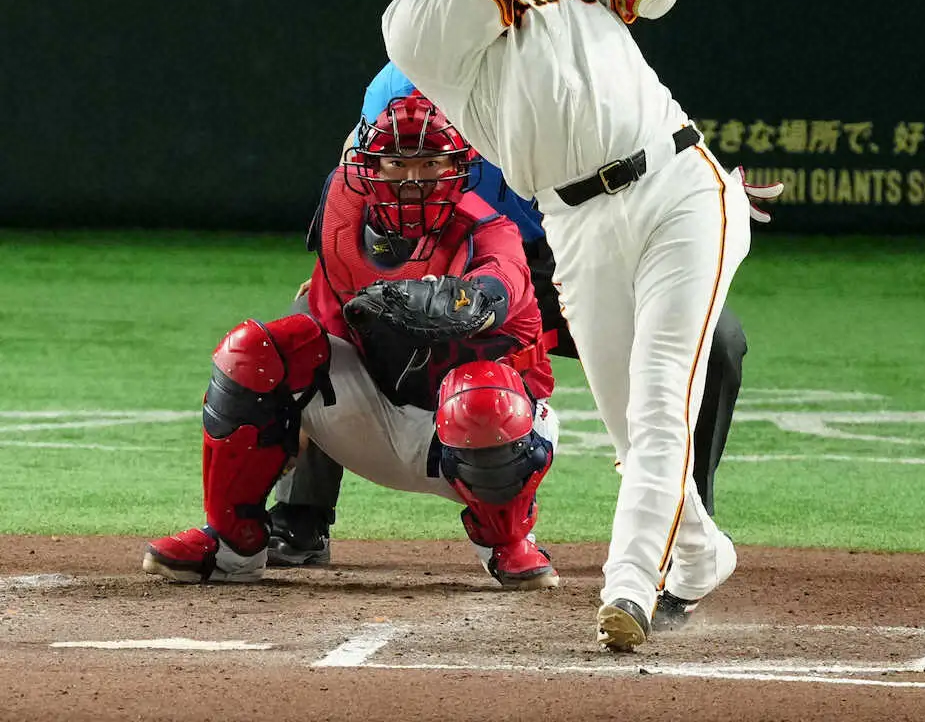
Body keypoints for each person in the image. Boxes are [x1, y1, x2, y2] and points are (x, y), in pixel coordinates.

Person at [333, 0, 776, 651]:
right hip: (576, 225)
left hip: (680, 188)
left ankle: (627, 590)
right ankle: (700, 554)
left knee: (655, 413)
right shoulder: (415, 26)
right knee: (627, 429)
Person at [268, 60, 756, 571]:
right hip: (453, 257)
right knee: (320, 322)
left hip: (572, 259)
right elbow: (361, 167)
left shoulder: (563, 71)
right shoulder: (406, 71)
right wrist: (337, 268)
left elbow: (642, 160)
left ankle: (680, 521)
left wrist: (702, 192)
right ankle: (301, 515)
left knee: (718, 340)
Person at [144, 92, 560, 590]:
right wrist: (262, 409)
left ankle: (507, 541)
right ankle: (233, 544)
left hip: (473, 435)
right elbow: (310, 328)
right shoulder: (342, 204)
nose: (412, 179)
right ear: (369, 165)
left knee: (481, 391)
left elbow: (493, 294)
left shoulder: (491, 232)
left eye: (430, 163)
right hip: (372, 408)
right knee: (251, 352)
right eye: (396, 163)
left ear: (458, 166)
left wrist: (440, 303)